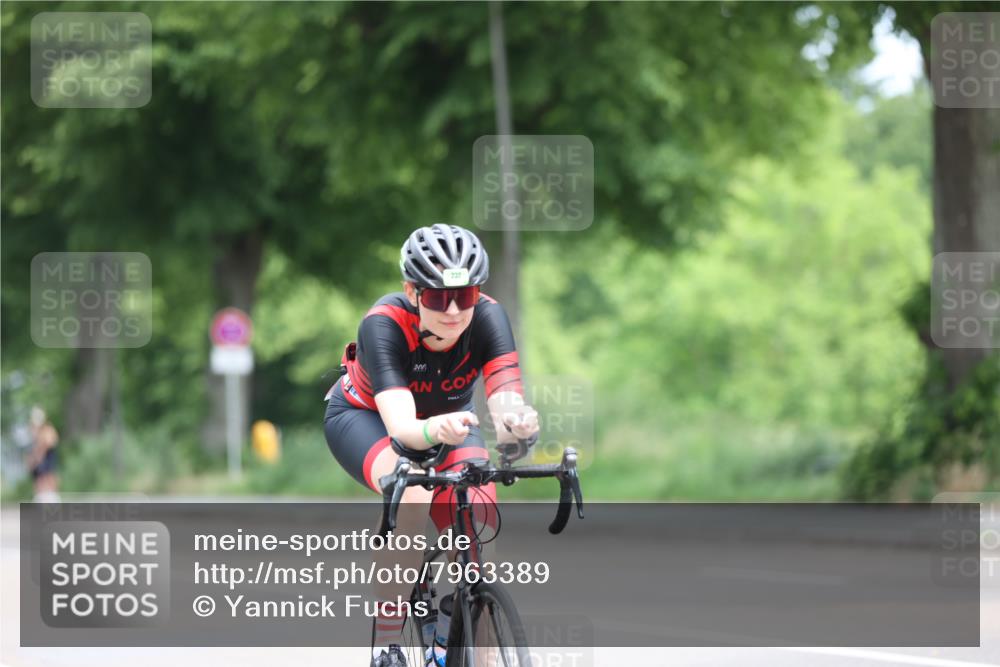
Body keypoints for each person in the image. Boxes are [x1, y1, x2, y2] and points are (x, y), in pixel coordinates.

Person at [323, 224, 539, 667]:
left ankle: (464, 636)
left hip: (450, 423)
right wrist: (433, 431)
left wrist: (516, 421)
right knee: (416, 491)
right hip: (368, 419)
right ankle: (387, 641)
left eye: (468, 295)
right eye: (440, 298)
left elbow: (504, 399)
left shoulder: (489, 317)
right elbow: (403, 428)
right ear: (412, 291)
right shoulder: (383, 325)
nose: (456, 310)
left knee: (480, 508)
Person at [27, 406, 60, 503]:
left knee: (48, 477)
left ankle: (51, 498)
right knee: (39, 478)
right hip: (39, 458)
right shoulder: (34, 430)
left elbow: (51, 442)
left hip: (47, 457)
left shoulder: (48, 430)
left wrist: (40, 452)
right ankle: (41, 498)